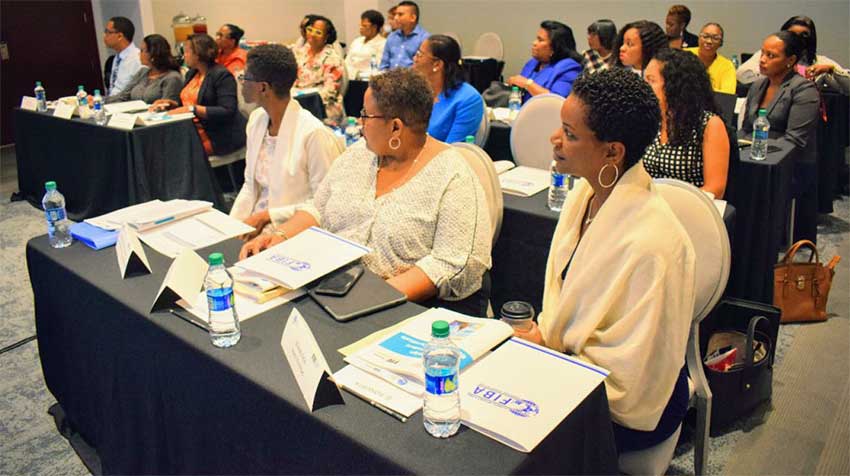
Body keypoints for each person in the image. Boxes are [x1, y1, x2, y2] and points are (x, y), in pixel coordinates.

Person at [514, 68, 695, 453]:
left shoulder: (655, 243)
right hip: (575, 365)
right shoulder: (586, 195)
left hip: (631, 402)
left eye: (571, 134)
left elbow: (633, 376)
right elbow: (568, 307)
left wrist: (548, 359)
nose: (555, 139)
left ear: (613, 152)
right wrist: (546, 336)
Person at [239, 68, 491, 306]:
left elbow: (450, 264)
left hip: (405, 306)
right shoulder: (359, 154)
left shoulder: (453, 175)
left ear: (395, 127)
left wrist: (373, 298)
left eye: (366, 115)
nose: (359, 123)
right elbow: (318, 209)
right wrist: (280, 236)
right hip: (333, 288)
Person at [230, 44, 342, 239]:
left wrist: (268, 216)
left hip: (292, 231)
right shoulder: (257, 120)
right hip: (254, 224)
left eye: (245, 77)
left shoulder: (313, 133)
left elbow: (325, 203)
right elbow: (250, 186)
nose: (241, 83)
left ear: (263, 87)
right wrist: (231, 229)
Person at [742, 31, 820, 242]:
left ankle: (762, 243)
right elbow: (747, 128)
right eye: (763, 53)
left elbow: (794, 140)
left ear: (791, 60)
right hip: (754, 157)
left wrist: (755, 155)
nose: (763, 60)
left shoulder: (804, 89)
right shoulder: (759, 85)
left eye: (771, 55)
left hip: (790, 165)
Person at [643, 49, 729, 198]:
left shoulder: (709, 125)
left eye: (651, 81)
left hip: (689, 208)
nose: (644, 87)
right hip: (649, 205)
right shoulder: (649, 118)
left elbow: (715, 189)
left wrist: (669, 206)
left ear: (674, 86)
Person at [151, 34, 246, 157]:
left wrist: (193, 109)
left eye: (187, 51)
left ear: (199, 54)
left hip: (217, 135)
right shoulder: (192, 73)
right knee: (158, 145)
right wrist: (171, 105)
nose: (184, 55)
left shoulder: (221, 75)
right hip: (193, 132)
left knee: (172, 153)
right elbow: (186, 104)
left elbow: (227, 110)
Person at [737, 16, 849, 94]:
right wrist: (771, 69)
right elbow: (741, 76)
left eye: (804, 35)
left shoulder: (819, 62)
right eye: (793, 34)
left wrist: (831, 70)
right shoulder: (767, 55)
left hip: (804, 114)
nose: (798, 39)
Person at [413, 35, 484, 143]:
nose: (414, 59)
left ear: (437, 64)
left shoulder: (468, 99)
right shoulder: (415, 90)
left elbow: (453, 150)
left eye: (419, 55)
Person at [508, 21, 584, 102]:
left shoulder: (569, 69)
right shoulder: (533, 63)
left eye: (540, 40)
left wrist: (527, 84)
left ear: (554, 48)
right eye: (536, 38)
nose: (534, 43)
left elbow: (556, 101)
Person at [293, 15, 345, 127]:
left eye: (318, 32)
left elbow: (330, 91)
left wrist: (305, 100)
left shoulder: (332, 58)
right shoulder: (300, 53)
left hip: (322, 106)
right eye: (310, 30)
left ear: (326, 37)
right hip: (298, 101)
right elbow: (291, 78)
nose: (312, 35)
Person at [105, 34, 182, 104]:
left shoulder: (172, 78)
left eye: (142, 51)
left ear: (153, 54)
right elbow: (123, 96)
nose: (139, 54)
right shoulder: (143, 72)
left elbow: (167, 106)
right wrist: (99, 101)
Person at [685, 22, 735, 94]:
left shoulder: (727, 66)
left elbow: (727, 96)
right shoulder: (684, 55)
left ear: (721, 43)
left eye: (715, 38)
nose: (709, 41)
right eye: (705, 36)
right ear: (698, 38)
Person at [380, 1, 429, 69]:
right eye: (395, 14)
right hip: (389, 77)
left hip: (411, 78)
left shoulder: (425, 38)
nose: (396, 18)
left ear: (413, 18)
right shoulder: (392, 36)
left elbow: (421, 68)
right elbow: (383, 65)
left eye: (400, 14)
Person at [103, 16, 142, 97]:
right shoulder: (117, 58)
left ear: (120, 36)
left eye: (107, 32)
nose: (104, 36)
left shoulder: (138, 59)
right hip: (113, 103)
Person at [345, 10, 387, 79]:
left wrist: (359, 74)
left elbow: (378, 69)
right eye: (360, 25)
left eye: (364, 26)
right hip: (350, 78)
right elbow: (347, 62)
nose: (361, 28)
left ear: (374, 27)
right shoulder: (357, 41)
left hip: (367, 81)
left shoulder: (383, 44)